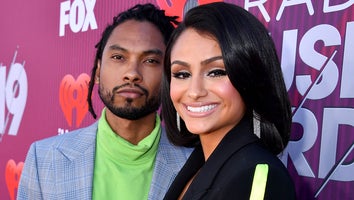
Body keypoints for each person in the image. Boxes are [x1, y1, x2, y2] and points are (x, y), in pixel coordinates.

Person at [17, 3, 192, 200]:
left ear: (169, 74)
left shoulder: (195, 164)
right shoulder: (44, 159)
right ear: (98, 71)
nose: (132, 74)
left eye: (150, 60)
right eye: (118, 57)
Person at [161, 2, 296, 200]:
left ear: (250, 77)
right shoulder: (198, 162)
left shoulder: (258, 179)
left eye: (216, 72)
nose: (194, 92)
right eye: (182, 74)